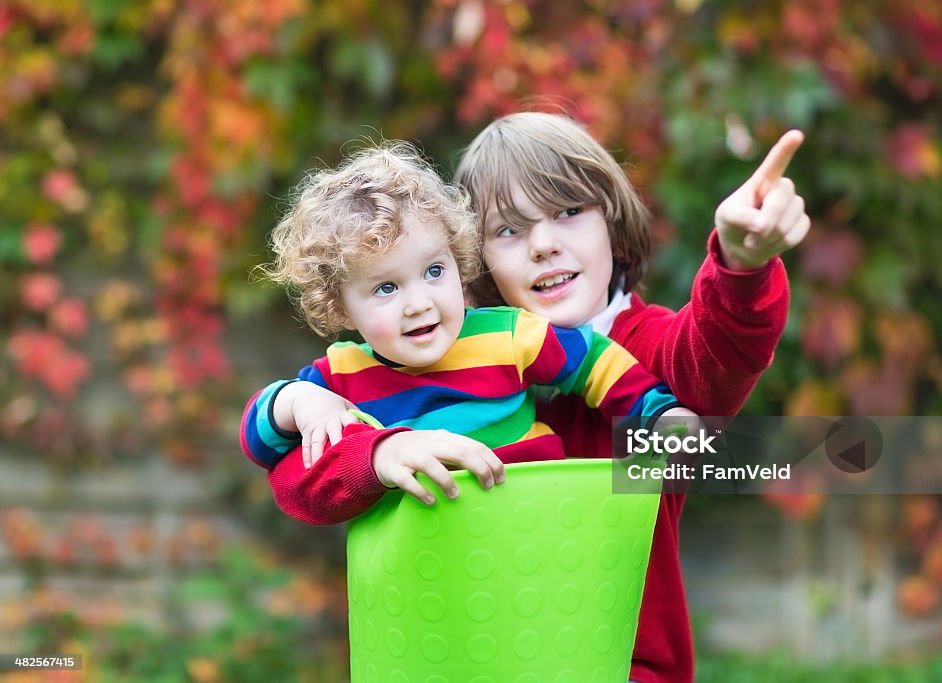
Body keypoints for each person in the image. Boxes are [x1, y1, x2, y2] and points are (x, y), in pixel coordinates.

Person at [243, 113, 808, 683]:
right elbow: (299, 472)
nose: (544, 244)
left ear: (611, 221)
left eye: (568, 211)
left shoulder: (646, 352)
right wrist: (352, 439)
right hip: (459, 659)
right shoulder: (416, 367)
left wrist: (741, 263)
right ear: (474, 259)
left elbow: (718, 351)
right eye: (509, 230)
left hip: (616, 666)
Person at [241, 140, 698, 515]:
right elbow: (265, 450)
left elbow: (593, 361)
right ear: (340, 308)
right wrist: (296, 400)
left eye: (434, 271)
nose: (419, 304)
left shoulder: (508, 336)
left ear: (460, 265)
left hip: (545, 540)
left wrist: (656, 413)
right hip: (438, 582)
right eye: (385, 288)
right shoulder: (341, 378)